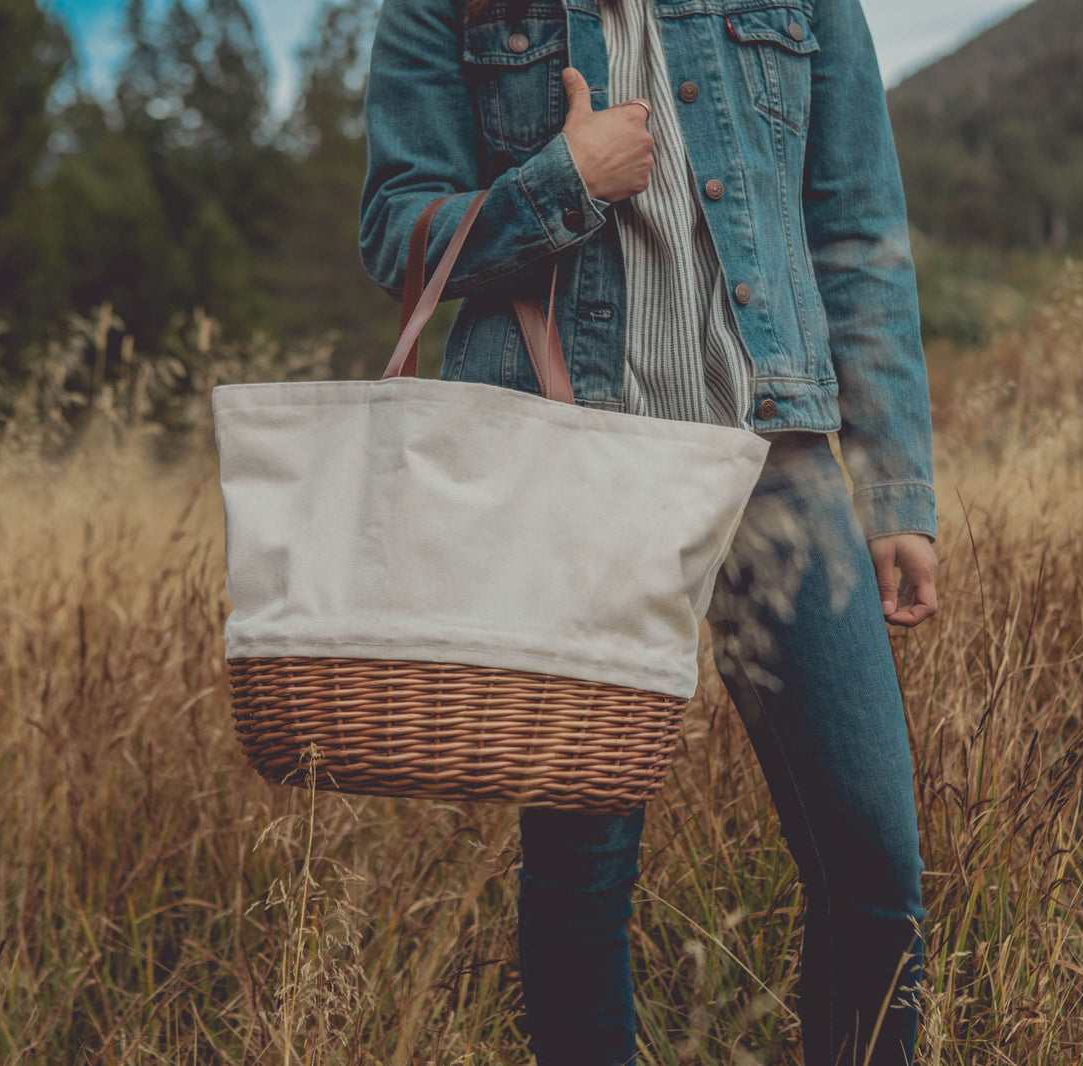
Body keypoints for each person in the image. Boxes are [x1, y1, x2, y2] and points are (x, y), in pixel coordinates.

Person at [360, 0, 940, 1061]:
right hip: (574, 462)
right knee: (583, 877)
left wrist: (897, 485)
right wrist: (560, 184)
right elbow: (396, 227)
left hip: (779, 463)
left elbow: (855, 229)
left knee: (874, 867)